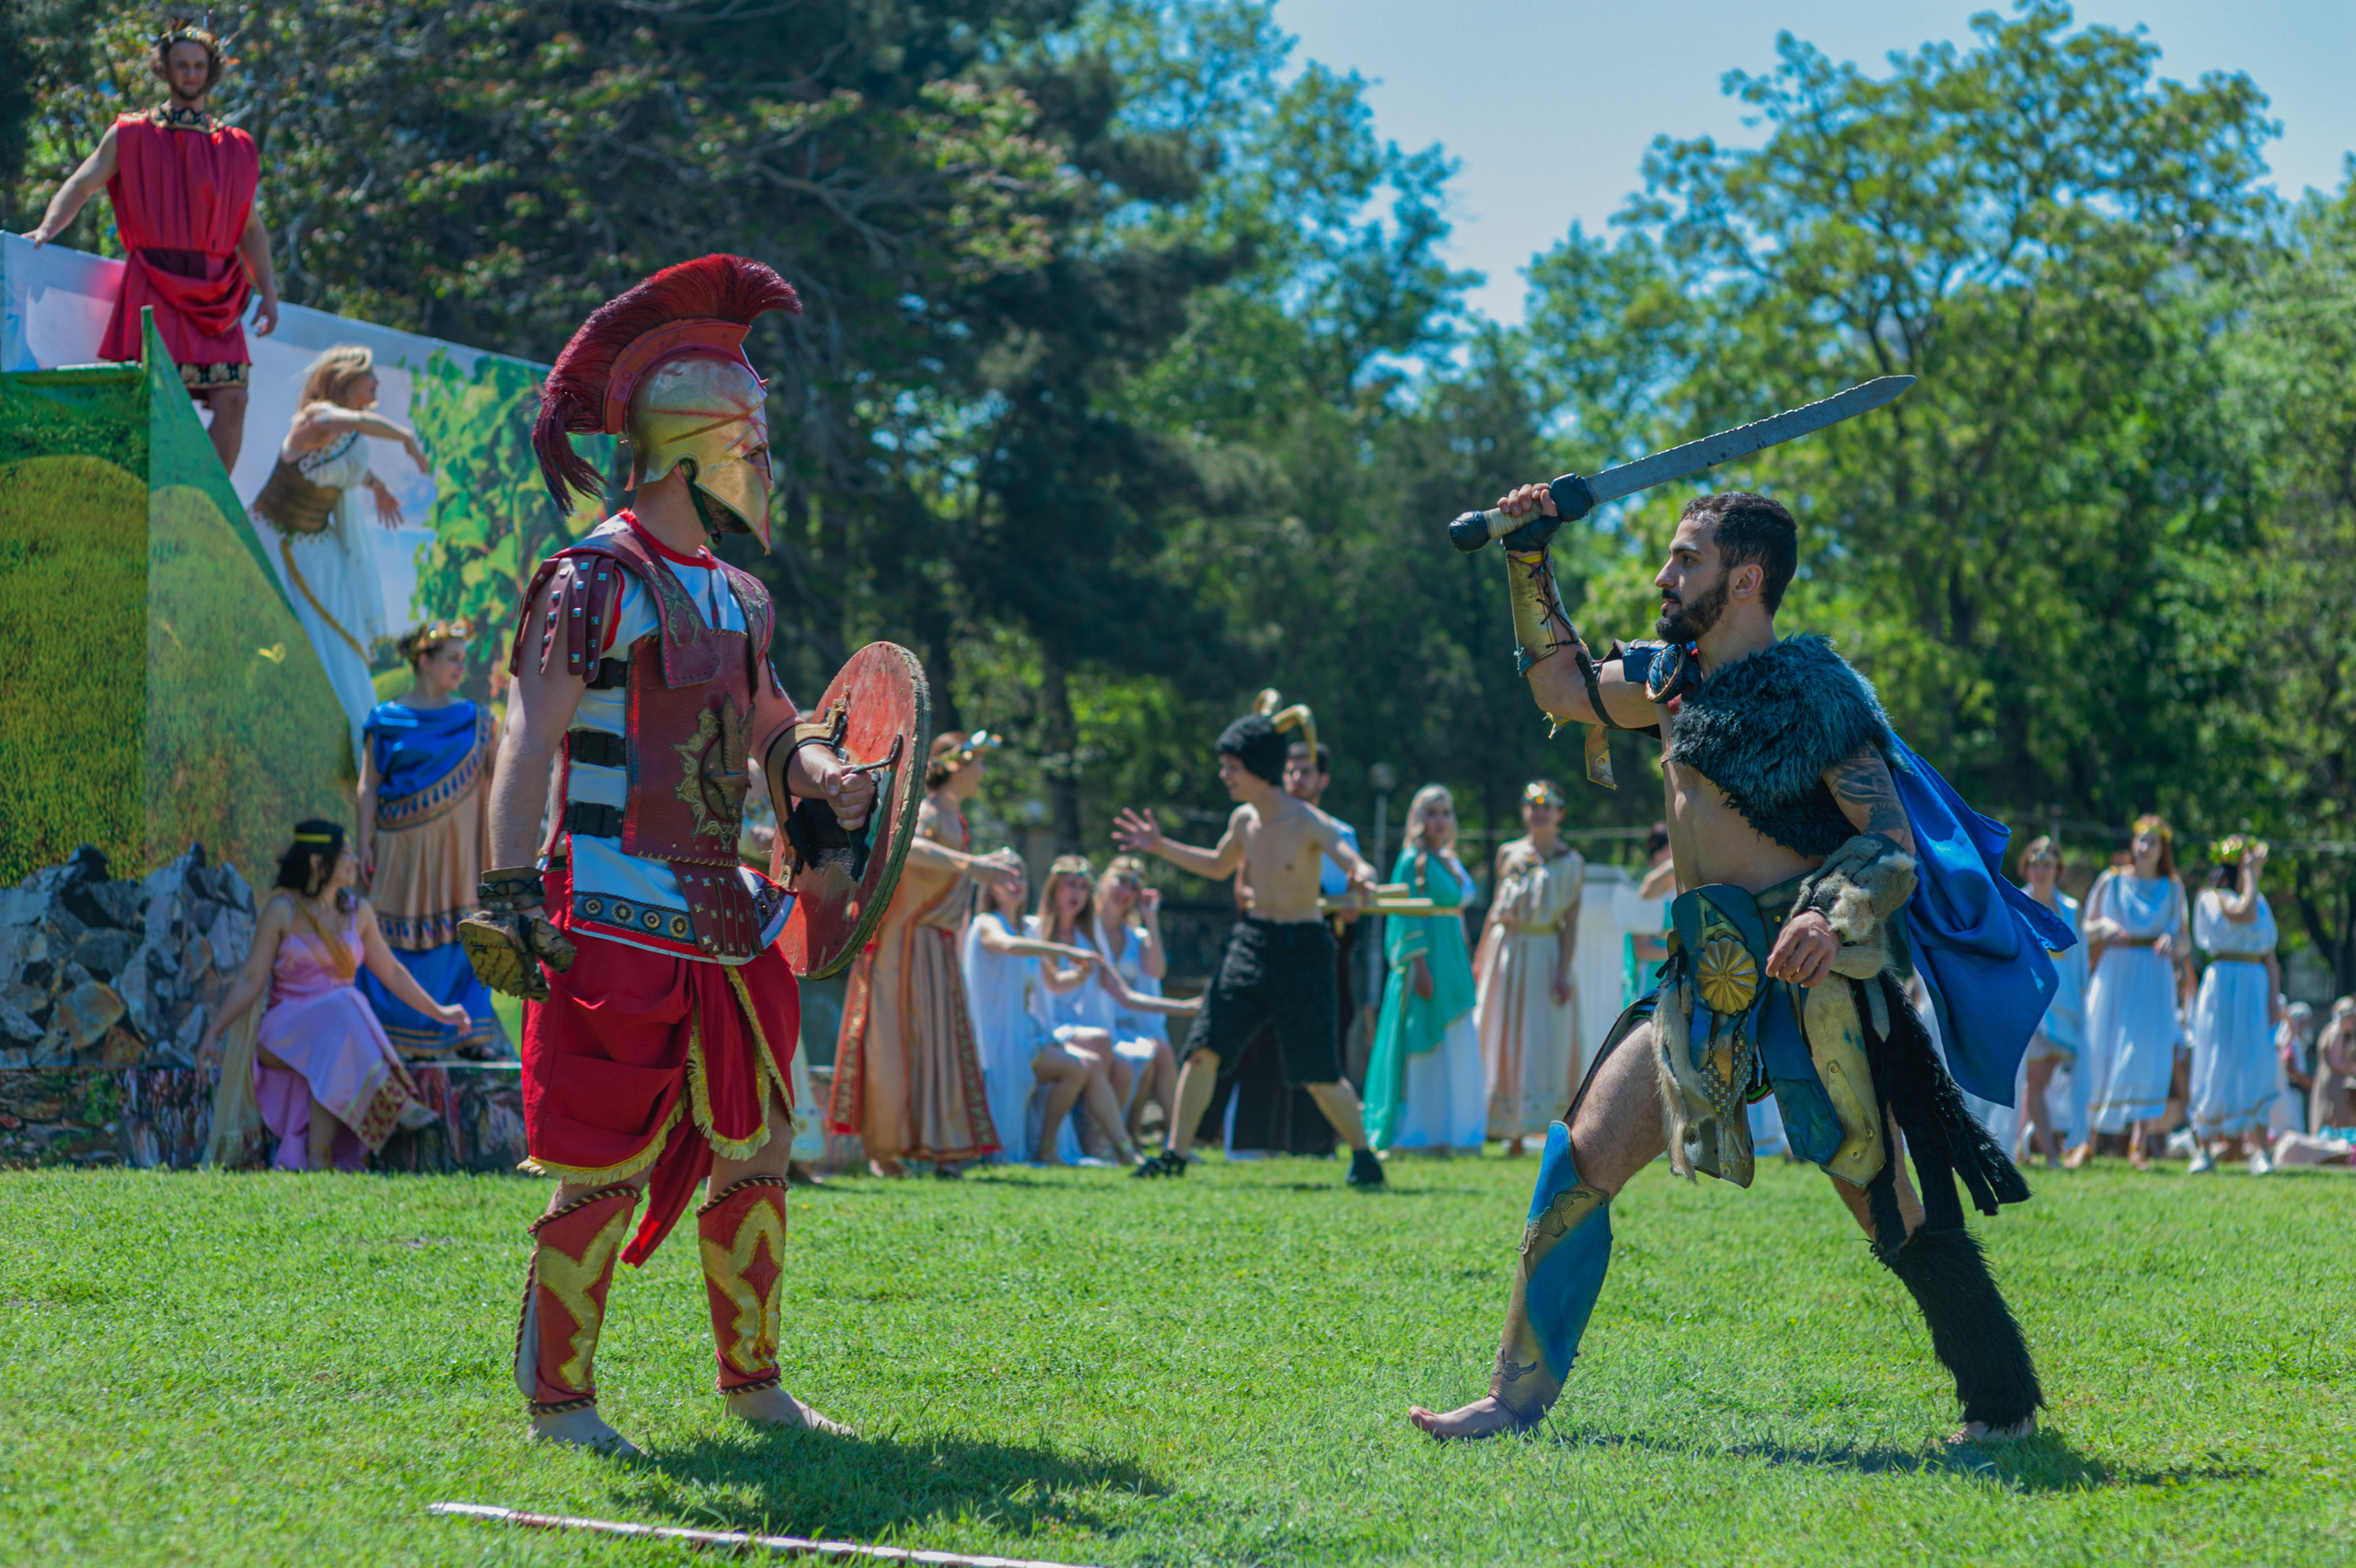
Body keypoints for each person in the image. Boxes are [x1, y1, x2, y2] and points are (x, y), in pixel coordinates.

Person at [1410, 486, 2056, 1444]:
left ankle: (1999, 1407)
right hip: (1698, 975)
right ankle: (1512, 1400)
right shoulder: (1669, 679)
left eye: (1685, 561)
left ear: (1744, 579)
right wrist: (1526, 555)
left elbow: (1888, 845)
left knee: (1883, 1201)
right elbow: (1559, 684)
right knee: (1579, 1158)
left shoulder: (1815, 700)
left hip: (1807, 985)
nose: (1663, 577)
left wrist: (1829, 919)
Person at [469, 255, 881, 1451]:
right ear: (696, 445)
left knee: (757, 1143)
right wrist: (507, 894)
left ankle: (754, 1384)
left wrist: (826, 774)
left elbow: (774, 731)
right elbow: (527, 740)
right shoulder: (591, 578)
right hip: (604, 903)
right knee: (597, 1163)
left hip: (722, 908)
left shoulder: (740, 598)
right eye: (751, 438)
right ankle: (561, 1404)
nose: (767, 461)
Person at [1113, 711, 1385, 1185]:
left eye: (1232, 766)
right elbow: (1219, 866)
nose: (1224, 776)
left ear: (1259, 766)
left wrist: (1363, 877)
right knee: (1204, 1048)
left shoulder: (1310, 823)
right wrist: (1159, 845)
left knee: (1318, 1071)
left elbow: (1353, 861)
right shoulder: (1244, 821)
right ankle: (1174, 1155)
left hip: (1304, 951)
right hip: (1252, 943)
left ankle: (1363, 1158)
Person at [25, 21, 279, 473]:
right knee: (154, 401)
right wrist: (47, 228)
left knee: (234, 398)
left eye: (198, 66)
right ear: (165, 69)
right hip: (155, 284)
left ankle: (204, 503)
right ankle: (145, 491)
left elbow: (250, 228)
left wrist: (271, 292)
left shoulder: (236, 147)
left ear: (211, 71)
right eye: (181, 64)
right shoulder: (131, 133)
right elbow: (82, 185)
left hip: (217, 290)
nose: (189, 73)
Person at [196, 822, 460, 1170]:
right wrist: (214, 1032)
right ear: (319, 862)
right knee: (344, 1002)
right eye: (345, 854)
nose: (354, 861)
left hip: (335, 1035)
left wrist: (440, 1012)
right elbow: (249, 979)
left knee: (336, 1032)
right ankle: (393, 1097)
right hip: (282, 1034)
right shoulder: (282, 911)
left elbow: (393, 972)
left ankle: (317, 1160)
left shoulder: (358, 913)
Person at [830, 732, 1012, 1178]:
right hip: (902, 942)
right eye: (979, 764)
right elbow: (905, 846)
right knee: (892, 1039)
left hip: (936, 943)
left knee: (938, 1042)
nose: (984, 773)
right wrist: (971, 864)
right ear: (956, 767)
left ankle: (940, 1146)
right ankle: (886, 1152)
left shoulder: (959, 820)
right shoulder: (927, 812)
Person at [248, 345, 433, 752]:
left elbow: (346, 466)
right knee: (285, 632)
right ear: (348, 380)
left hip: (318, 549)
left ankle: (344, 734)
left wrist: (378, 486)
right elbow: (347, 423)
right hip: (274, 541)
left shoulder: (345, 435)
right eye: (370, 377)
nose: (377, 384)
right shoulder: (315, 417)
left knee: (339, 638)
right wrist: (403, 436)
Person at [354, 620, 501, 1060]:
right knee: (394, 935)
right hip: (399, 851)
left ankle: (469, 1034)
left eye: (462, 658)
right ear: (423, 660)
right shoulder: (385, 721)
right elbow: (368, 786)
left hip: (458, 853)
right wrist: (363, 843)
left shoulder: (475, 720)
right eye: (452, 658)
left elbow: (495, 783)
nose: (461, 667)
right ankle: (398, 1034)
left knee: (461, 934)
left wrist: (496, 853)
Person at [961, 850, 1138, 1165]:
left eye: (1021, 876)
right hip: (996, 1039)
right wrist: (1062, 948)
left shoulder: (1027, 932)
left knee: (1085, 1065)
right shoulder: (988, 923)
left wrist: (1078, 974)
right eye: (1006, 875)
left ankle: (1112, 1148)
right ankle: (1066, 1148)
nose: (1016, 882)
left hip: (1025, 1036)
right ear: (990, 886)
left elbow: (1053, 983)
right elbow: (1006, 946)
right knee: (1080, 1064)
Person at [1366, 784, 1487, 1155]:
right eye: (1431, 813)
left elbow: (1458, 916)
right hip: (1427, 963)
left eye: (1446, 812)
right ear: (1419, 819)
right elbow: (1403, 916)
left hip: (1454, 962)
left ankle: (1458, 1134)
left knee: (1457, 1043)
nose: (1440, 820)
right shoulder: (1410, 860)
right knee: (1424, 1042)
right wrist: (1418, 965)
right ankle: (1419, 1132)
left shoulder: (1451, 861)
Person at [1477, 781, 1586, 1155]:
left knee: (1540, 1038)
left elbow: (1570, 921)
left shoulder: (1571, 862)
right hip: (1506, 950)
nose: (1538, 811)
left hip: (1544, 951)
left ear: (1560, 813)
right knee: (1501, 1032)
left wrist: (1562, 970)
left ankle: (1542, 1125)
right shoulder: (1508, 853)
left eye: (1547, 805)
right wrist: (1479, 960)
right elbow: (1494, 910)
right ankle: (1508, 1130)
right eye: (1531, 804)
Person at [2078, 815, 2192, 1170]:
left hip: (2153, 977)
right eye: (2141, 840)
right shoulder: (2111, 882)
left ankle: (2138, 1145)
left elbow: (2186, 940)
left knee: (2146, 1054)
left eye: (2152, 843)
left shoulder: (2172, 888)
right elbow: (2085, 926)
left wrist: (2173, 941)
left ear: (2163, 850)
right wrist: (2105, 926)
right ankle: (2087, 1142)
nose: (2144, 847)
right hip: (2115, 972)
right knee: (2102, 1051)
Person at [2187, 837, 2283, 1174]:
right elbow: (2242, 914)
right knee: (2216, 1058)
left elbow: (2271, 957)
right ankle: (2205, 1149)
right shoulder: (2211, 898)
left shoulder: (2261, 902)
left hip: (2254, 983)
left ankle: (2259, 1150)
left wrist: (2274, 1000)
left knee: (2255, 1060)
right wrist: (2252, 873)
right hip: (2223, 982)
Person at [1088, 857, 1184, 1144]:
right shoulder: (1084, 930)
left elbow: (1156, 970)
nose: (1126, 891)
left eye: (1135, 886)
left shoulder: (1136, 937)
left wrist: (1150, 917)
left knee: (1160, 1050)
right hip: (1097, 1021)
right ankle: (1125, 1135)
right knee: (1140, 1057)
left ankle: (1176, 1138)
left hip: (1130, 1023)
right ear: (1103, 881)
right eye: (1121, 880)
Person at [2013, 836, 2088, 1169]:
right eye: (2034, 863)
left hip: (2066, 1000)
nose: (2040, 870)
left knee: (2042, 1082)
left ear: (2058, 868)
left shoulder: (2071, 908)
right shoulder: (2017, 902)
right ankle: (2053, 1157)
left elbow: (2080, 958)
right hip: (2032, 1001)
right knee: (2035, 1082)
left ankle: (2024, 1146)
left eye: (2046, 863)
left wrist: (2083, 997)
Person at [2309, 997, 2356, 1132]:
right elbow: (2335, 1062)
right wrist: (2352, 1070)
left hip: (2337, 1083)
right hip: (2334, 1085)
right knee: (2332, 1121)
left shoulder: (2344, 1032)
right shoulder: (2336, 1031)